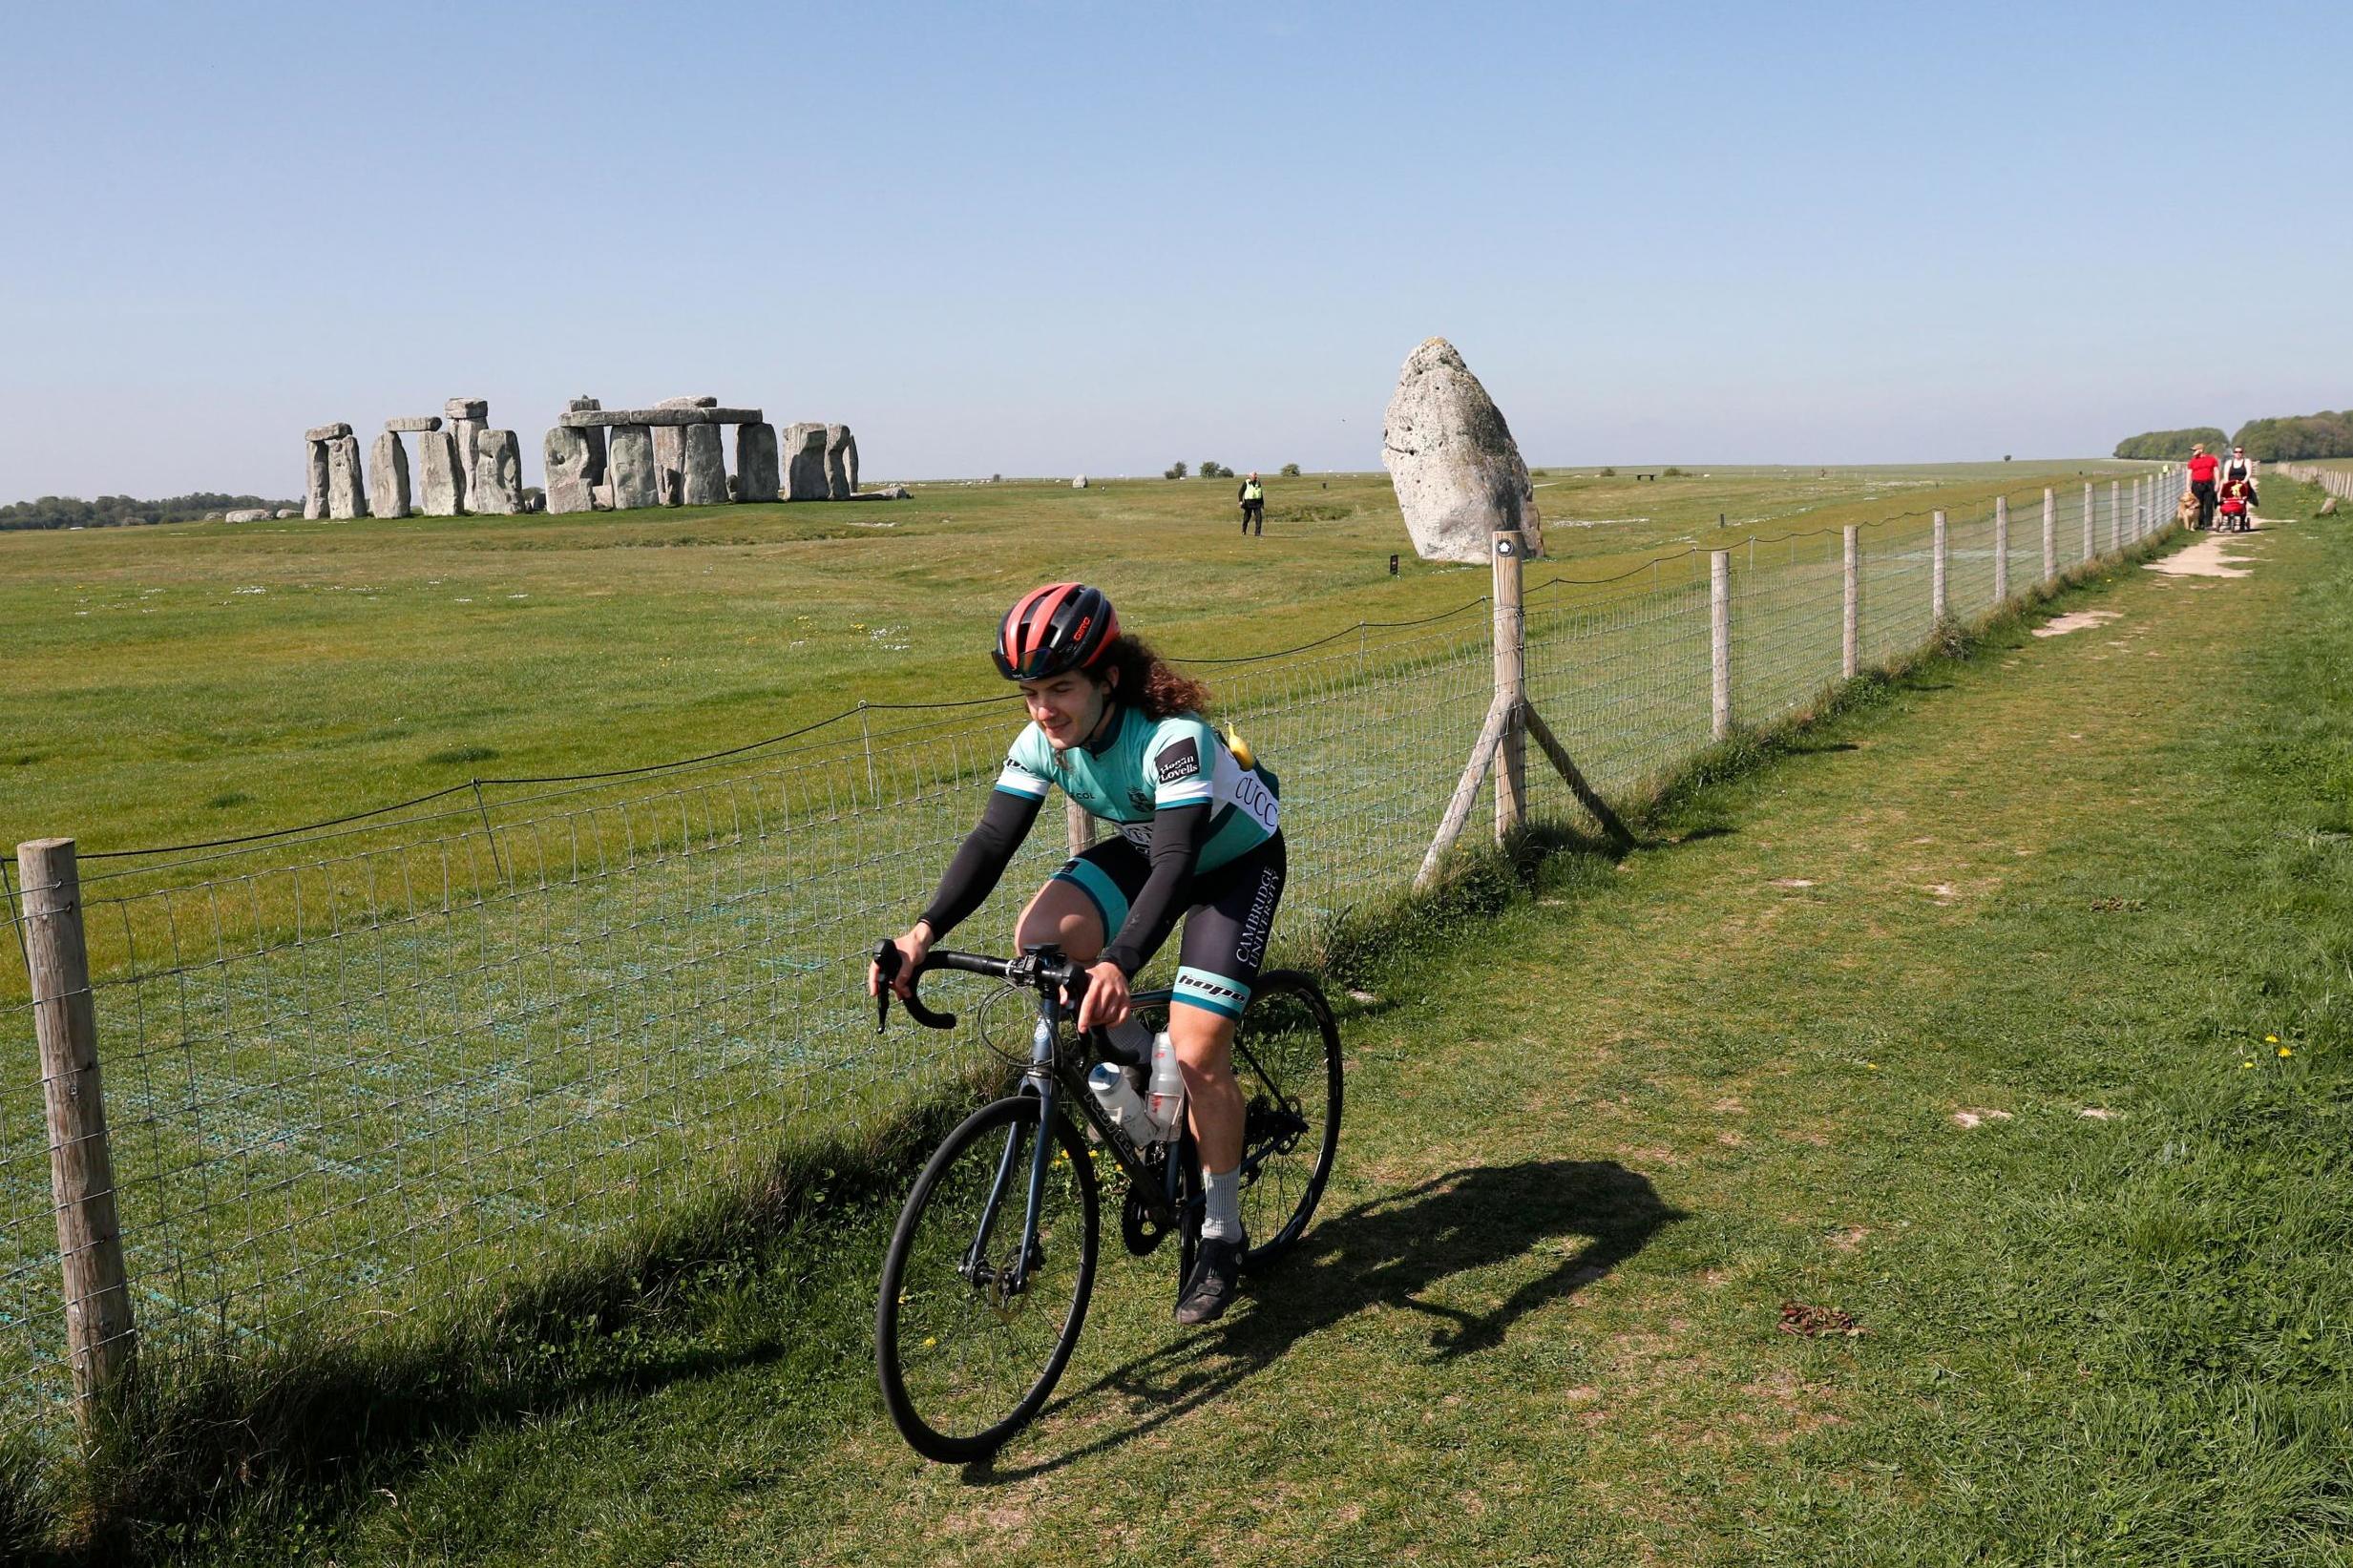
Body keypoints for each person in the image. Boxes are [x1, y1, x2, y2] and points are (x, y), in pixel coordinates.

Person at [871, 583, 1286, 1326]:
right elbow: (992, 841)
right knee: (1040, 940)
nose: (1042, 709)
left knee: (1197, 1052)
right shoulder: (1041, 742)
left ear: (1108, 679)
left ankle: (1221, 1230)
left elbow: (1177, 861)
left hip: (1231, 862)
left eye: (1059, 688)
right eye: (1029, 692)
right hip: (1147, 846)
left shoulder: (1172, 737)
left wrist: (1119, 961)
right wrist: (919, 935)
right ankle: (1135, 1059)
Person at [2185, 443, 2220, 530]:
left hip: (2208, 484)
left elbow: (2216, 471)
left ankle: (2208, 524)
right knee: (2198, 505)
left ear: (2201, 450)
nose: (2193, 452)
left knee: (2209, 504)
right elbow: (2189, 474)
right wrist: (2188, 486)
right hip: (2196, 484)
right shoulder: (2192, 461)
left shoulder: (2211, 459)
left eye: (2194, 450)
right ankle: (2201, 523)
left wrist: (2217, 483)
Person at [2222, 445, 2258, 511]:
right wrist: (2227, 483)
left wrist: (2244, 482)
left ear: (2242, 453)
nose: (2238, 453)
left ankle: (2242, 512)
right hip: (2231, 483)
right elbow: (2226, 473)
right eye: (2236, 452)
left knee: (2242, 499)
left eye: (2240, 452)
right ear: (2234, 453)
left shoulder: (2246, 461)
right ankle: (2228, 509)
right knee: (2227, 496)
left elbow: (2248, 473)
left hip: (2243, 483)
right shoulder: (2229, 462)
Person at [1237, 471, 1265, 536]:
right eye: (1254, 476)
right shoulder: (1246, 483)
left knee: (1259, 518)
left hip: (1257, 503)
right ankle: (1244, 530)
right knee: (1246, 518)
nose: (1255, 477)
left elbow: (1260, 493)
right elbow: (1240, 492)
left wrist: (1262, 503)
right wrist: (1240, 501)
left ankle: (1257, 533)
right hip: (1248, 503)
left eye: (1256, 475)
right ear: (1250, 476)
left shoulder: (1258, 483)